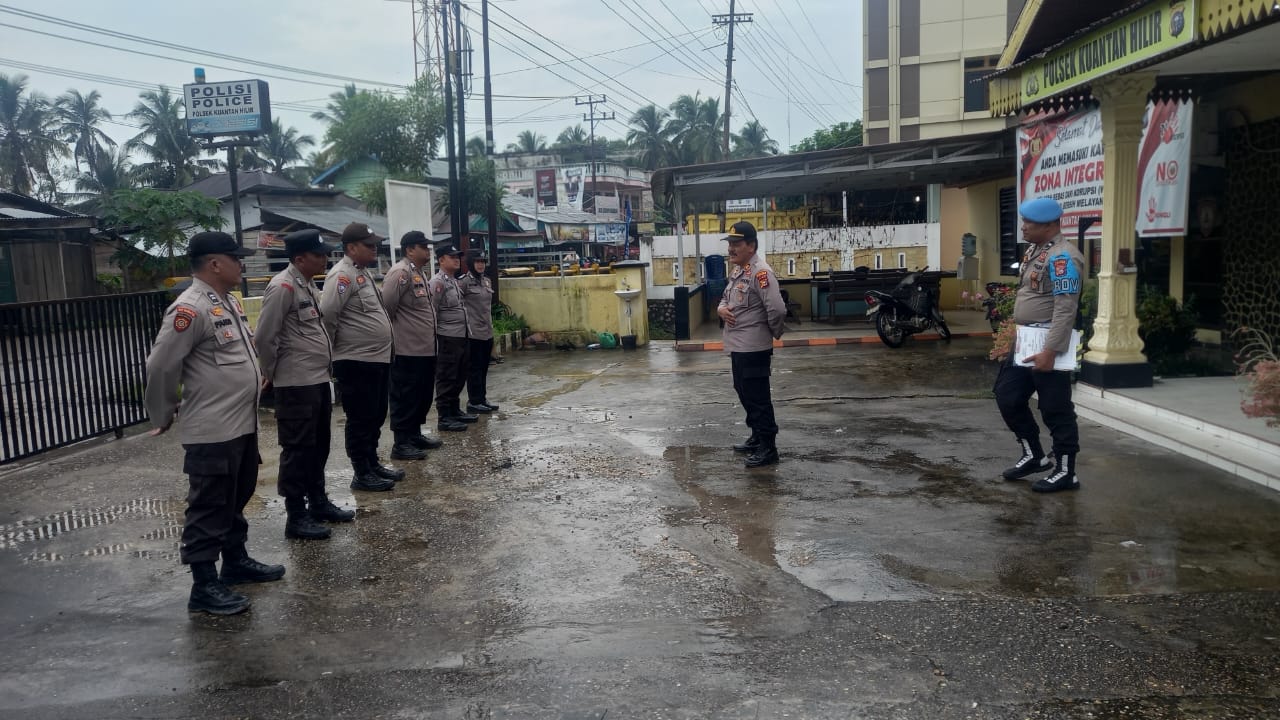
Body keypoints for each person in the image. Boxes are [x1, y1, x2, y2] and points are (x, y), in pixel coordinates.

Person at [144, 231, 282, 615]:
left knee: (235, 498)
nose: (242, 264)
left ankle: (235, 562)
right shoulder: (189, 308)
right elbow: (160, 364)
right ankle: (204, 586)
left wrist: (256, 375)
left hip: (241, 423)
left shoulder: (226, 301)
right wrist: (163, 410)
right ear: (214, 263)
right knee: (209, 505)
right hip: (213, 428)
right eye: (236, 258)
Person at [256, 229, 353, 542]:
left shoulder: (307, 284)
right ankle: (296, 515)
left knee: (319, 445)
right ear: (300, 258)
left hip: (316, 379)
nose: (324, 258)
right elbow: (264, 337)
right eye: (318, 254)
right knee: (298, 450)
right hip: (295, 382)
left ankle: (318, 502)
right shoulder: (282, 287)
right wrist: (272, 373)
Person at [994, 197, 1085, 493]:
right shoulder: (1037, 250)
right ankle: (1034, 454)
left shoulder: (1063, 257)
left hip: (1047, 342)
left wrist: (1050, 351)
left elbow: (1065, 308)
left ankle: (1066, 471)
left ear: (1048, 225)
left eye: (1028, 223)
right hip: (1026, 339)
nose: (1023, 227)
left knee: (1055, 407)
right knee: (1007, 395)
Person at [320, 222, 404, 492]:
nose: (374, 249)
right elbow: (329, 315)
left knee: (376, 414)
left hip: (376, 358)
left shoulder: (362, 273)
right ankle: (361, 472)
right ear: (351, 248)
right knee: (360, 418)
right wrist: (332, 353)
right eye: (368, 245)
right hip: (356, 361)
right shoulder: (341, 276)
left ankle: (372, 463)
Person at [717, 221, 787, 468]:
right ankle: (757, 436)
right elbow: (726, 297)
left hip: (753, 348)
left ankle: (769, 447)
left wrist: (769, 334)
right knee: (743, 391)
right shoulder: (738, 271)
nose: (731, 249)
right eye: (730, 244)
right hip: (737, 346)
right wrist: (721, 309)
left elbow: (777, 310)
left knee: (758, 398)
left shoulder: (760, 272)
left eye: (737, 244)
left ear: (751, 245)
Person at [383, 231, 446, 459]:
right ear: (410, 249)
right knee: (405, 396)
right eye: (423, 246)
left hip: (425, 348)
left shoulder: (418, 273)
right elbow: (387, 308)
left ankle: (414, 434)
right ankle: (401, 443)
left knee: (421, 394)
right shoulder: (400, 273)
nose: (427, 250)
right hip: (406, 349)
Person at [430, 243, 475, 430]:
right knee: (447, 377)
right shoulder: (437, 283)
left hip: (461, 336)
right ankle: (444, 417)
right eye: (452, 257)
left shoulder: (453, 280)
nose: (457, 259)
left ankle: (454, 410)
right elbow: (432, 312)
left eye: (458, 256)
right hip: (447, 337)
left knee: (459, 376)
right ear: (441, 260)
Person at [461, 249, 499, 414]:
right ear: (470, 263)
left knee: (484, 368)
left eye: (483, 262)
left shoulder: (487, 282)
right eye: (477, 262)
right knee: (474, 369)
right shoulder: (463, 282)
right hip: (472, 333)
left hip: (486, 332)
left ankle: (482, 398)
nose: (481, 265)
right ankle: (474, 401)